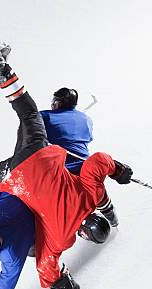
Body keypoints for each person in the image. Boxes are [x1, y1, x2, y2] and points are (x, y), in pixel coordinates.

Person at [0, 42, 133, 289]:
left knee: (28, 114)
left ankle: (1, 66)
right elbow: (41, 265)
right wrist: (61, 285)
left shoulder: (87, 198)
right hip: (17, 178)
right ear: (83, 232)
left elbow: (96, 163)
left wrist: (118, 170)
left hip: (41, 157)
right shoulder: (54, 239)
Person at [40, 88, 120, 227]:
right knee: (95, 190)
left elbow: (32, 129)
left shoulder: (45, 116)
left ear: (58, 103)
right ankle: (110, 215)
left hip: (63, 175)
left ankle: (82, 225)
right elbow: (87, 138)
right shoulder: (86, 119)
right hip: (86, 169)